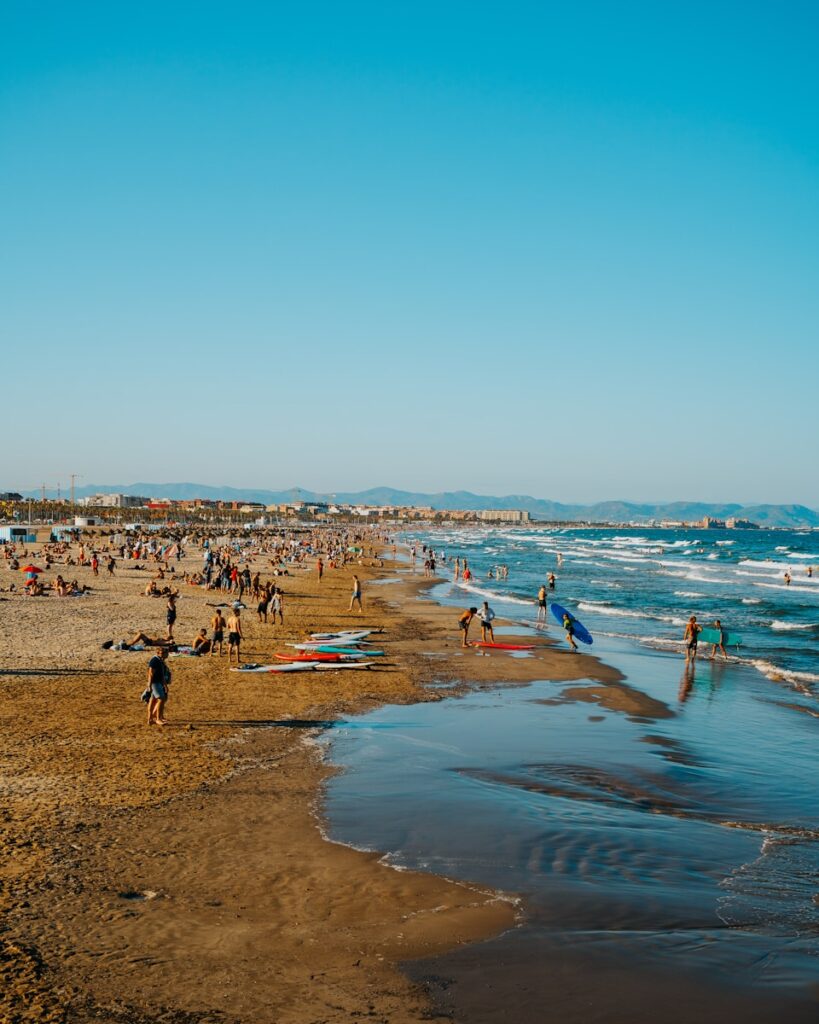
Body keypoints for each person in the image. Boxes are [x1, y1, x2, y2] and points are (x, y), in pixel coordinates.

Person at [146, 648, 170, 726]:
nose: (165, 654)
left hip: (158, 683)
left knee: (153, 700)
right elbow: (150, 673)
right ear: (158, 653)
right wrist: (149, 685)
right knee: (161, 699)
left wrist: (165, 685)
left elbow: (162, 674)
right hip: (155, 683)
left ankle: (150, 719)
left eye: (165, 652)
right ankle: (157, 719)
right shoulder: (154, 660)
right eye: (163, 653)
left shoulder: (160, 660)